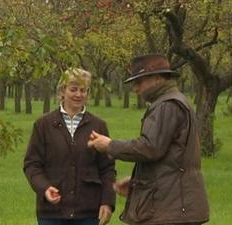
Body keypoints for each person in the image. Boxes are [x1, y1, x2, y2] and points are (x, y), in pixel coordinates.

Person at [87, 54, 210, 225]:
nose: (135, 89)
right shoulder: (174, 101)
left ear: (157, 78)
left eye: (139, 82)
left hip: (171, 209)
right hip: (174, 203)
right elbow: (172, 157)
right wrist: (138, 182)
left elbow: (150, 148)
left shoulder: (167, 105)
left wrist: (110, 145)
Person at [23, 68, 116, 225]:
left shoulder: (98, 125)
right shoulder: (43, 125)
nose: (78, 95)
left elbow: (107, 169)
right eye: (73, 89)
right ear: (62, 91)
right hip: (52, 213)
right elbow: (32, 164)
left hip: (88, 212)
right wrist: (45, 188)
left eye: (83, 90)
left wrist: (107, 202)